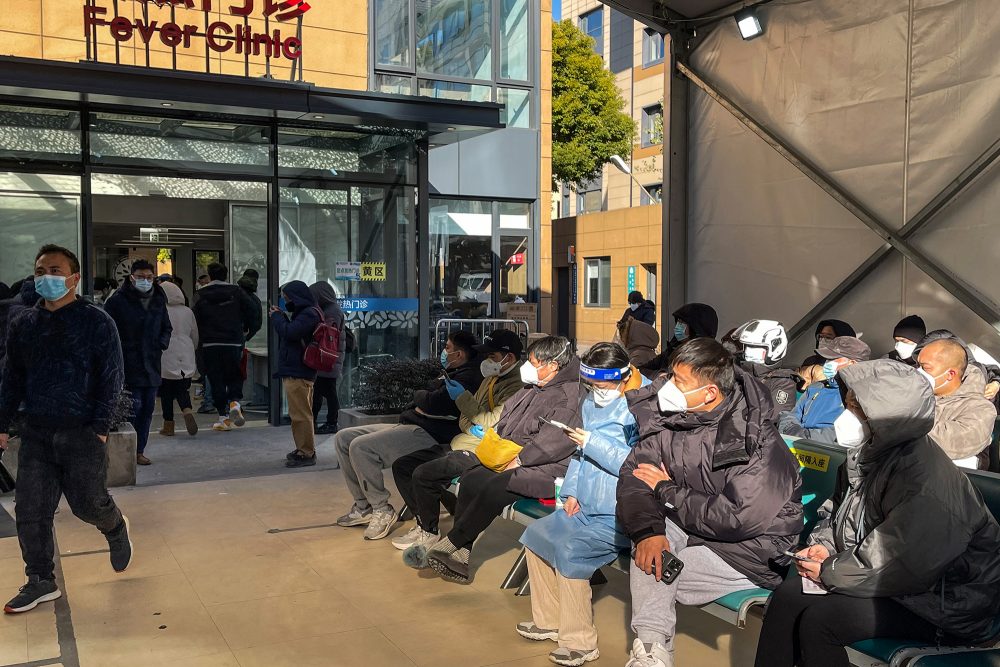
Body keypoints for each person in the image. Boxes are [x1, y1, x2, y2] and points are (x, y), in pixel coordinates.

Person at [755, 360, 1000, 667]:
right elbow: (838, 516)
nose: (847, 417)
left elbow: (903, 559)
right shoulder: (868, 455)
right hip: (900, 584)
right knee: (788, 595)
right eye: (849, 406)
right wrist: (825, 546)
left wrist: (830, 571)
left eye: (858, 410)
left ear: (886, 416)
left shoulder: (924, 479)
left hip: (947, 602)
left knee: (822, 622)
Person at [617, 338, 803, 667]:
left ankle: (651, 652)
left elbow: (738, 518)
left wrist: (666, 490)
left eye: (679, 381)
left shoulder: (756, 440)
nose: (667, 385)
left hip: (750, 549)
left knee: (656, 570)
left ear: (709, 393)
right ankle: (652, 652)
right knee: (650, 547)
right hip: (695, 527)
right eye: (670, 375)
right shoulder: (671, 419)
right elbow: (635, 476)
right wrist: (648, 532)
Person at [0, 245, 132, 614]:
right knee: (30, 510)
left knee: (87, 505)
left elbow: (112, 378)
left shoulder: (96, 321)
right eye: (40, 270)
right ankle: (40, 579)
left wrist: (101, 429)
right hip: (38, 431)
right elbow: (11, 378)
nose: (46, 277)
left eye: (55, 270)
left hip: (82, 431)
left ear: (74, 278)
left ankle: (114, 524)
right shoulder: (23, 323)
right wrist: (2, 424)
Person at [515, 343, 649, 667]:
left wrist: (593, 443)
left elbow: (640, 465)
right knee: (537, 535)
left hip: (619, 513)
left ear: (621, 377)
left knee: (572, 551)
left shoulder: (644, 408)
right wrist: (572, 490)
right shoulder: (591, 402)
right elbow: (580, 453)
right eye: (591, 385)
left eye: (601, 385)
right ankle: (548, 620)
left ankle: (580, 643)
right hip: (585, 503)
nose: (595, 391)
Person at [424, 336, 584, 584]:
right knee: (472, 478)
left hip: (549, 469)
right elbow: (506, 418)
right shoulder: (534, 387)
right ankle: (463, 556)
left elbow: (553, 443)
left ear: (552, 365)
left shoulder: (568, 396)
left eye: (533, 362)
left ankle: (452, 543)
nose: (527, 367)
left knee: (495, 486)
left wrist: (520, 460)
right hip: (512, 455)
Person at [334, 331, 483, 538]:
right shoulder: (450, 372)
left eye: (447, 348)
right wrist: (425, 397)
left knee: (361, 447)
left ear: (459, 354)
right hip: (412, 422)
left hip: (429, 433)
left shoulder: (468, 377)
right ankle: (363, 506)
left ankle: (382, 509)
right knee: (343, 438)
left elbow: (433, 402)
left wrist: (425, 398)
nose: (443, 351)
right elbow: (424, 396)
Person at [392, 329, 525, 556]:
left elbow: (490, 423)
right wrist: (473, 422)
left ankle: (429, 532)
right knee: (403, 466)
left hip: (482, 452)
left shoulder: (517, 386)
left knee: (424, 474)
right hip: (462, 442)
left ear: (509, 358)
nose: (486, 361)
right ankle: (422, 522)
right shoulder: (491, 378)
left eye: (491, 356)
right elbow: (467, 419)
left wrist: (465, 402)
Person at [104, 259, 172, 466]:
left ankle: (139, 450)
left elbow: (166, 327)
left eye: (149, 277)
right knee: (133, 407)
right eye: (141, 277)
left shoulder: (158, 299)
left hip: (151, 362)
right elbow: (108, 330)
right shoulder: (117, 301)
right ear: (131, 277)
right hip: (128, 362)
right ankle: (127, 451)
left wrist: (161, 343)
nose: (145, 281)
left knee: (148, 408)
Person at [192, 262, 258, 432]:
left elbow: (195, 319)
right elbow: (252, 311)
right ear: (226, 274)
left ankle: (223, 417)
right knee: (234, 373)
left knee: (216, 378)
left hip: (210, 342)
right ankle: (235, 402)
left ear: (210, 275)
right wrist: (245, 330)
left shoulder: (200, 294)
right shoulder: (237, 292)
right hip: (233, 340)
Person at [917, 338, 997, 469]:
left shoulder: (982, 410)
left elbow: (949, 443)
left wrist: (896, 423)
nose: (918, 372)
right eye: (918, 365)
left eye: (925, 367)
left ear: (950, 374)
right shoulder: (918, 393)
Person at [779, 336, 870, 445]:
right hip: (795, 446)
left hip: (830, 455)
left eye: (832, 359)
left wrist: (802, 437)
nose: (826, 363)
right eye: (826, 358)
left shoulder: (861, 396)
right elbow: (789, 416)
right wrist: (793, 432)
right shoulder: (816, 387)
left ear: (852, 364)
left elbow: (845, 434)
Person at [270, 281, 322, 467]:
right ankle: (302, 448)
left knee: (301, 414)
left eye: (287, 298)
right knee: (298, 413)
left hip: (300, 370)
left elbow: (289, 332)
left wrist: (277, 317)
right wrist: (282, 315)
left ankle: (307, 453)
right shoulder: (306, 312)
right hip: (297, 369)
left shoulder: (309, 313)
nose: (286, 301)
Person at [157, 281, 199, 439]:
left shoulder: (161, 310)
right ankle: (187, 410)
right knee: (182, 388)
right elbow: (195, 334)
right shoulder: (188, 311)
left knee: (166, 392)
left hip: (166, 353)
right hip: (186, 352)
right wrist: (192, 348)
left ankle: (168, 425)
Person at [733, 319, 797, 418]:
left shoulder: (783, 383)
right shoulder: (735, 369)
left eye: (755, 347)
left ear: (775, 348)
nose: (749, 351)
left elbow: (772, 418)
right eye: (748, 346)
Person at [639, 303, 718, 377]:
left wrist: (662, 376)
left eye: (682, 323)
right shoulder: (672, 349)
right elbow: (643, 369)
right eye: (678, 322)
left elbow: (674, 379)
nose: (677, 327)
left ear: (696, 329)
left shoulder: (704, 358)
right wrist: (660, 375)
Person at [308, 281, 346, 435]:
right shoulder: (329, 309)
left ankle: (331, 422)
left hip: (329, 358)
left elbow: (328, 333)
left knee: (328, 392)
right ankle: (315, 421)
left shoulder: (332, 311)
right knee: (321, 391)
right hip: (328, 357)